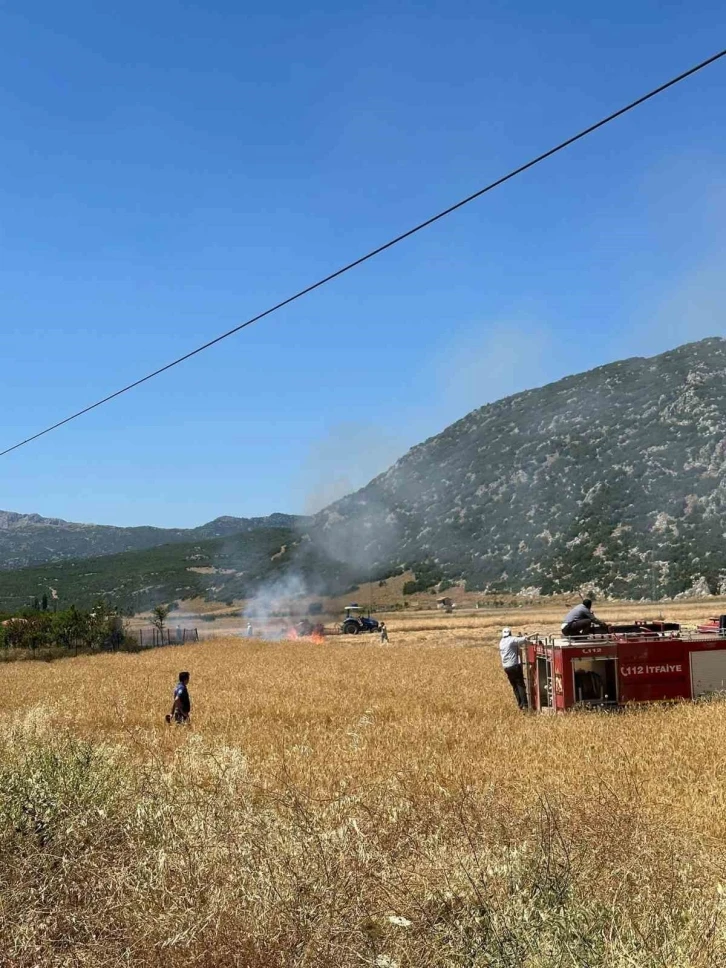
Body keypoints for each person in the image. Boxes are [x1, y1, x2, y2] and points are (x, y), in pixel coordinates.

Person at [499, 627, 529, 710]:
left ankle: (520, 705)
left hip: (506, 668)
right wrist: (526, 636)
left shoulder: (501, 642)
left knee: (515, 686)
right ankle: (525, 705)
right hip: (514, 666)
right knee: (521, 685)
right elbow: (524, 640)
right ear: (510, 633)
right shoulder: (511, 640)